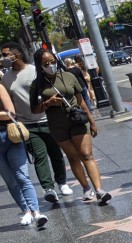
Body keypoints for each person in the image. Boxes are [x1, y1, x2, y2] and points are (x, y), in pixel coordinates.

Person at [30, 49, 110, 204]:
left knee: (86, 154)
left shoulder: (68, 76)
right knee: (73, 157)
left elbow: (80, 100)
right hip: (57, 125)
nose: (50, 65)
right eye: (46, 63)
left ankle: (99, 190)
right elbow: (34, 109)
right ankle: (86, 188)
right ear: (40, 66)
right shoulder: (37, 84)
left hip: (77, 120)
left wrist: (91, 121)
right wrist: (48, 103)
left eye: (52, 62)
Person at [1, 42, 71, 204]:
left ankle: (62, 182)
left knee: (56, 153)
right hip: (27, 124)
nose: (3, 58)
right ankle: (48, 188)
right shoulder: (6, 79)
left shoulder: (34, 71)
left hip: (47, 119)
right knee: (40, 156)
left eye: (5, 54)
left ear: (16, 54)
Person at [0, 82, 47, 226]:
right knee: (10, 181)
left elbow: (10, 112)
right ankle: (26, 211)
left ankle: (36, 212)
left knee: (22, 176)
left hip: (9, 135)